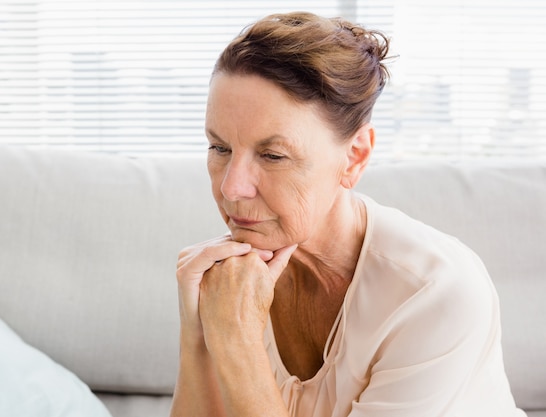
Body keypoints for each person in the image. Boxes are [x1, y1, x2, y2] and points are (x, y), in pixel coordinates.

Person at [170, 11, 525, 417]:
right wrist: (198, 333)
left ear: (354, 157)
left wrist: (236, 341)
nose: (231, 188)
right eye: (219, 148)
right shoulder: (233, 280)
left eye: (272, 155)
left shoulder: (436, 293)